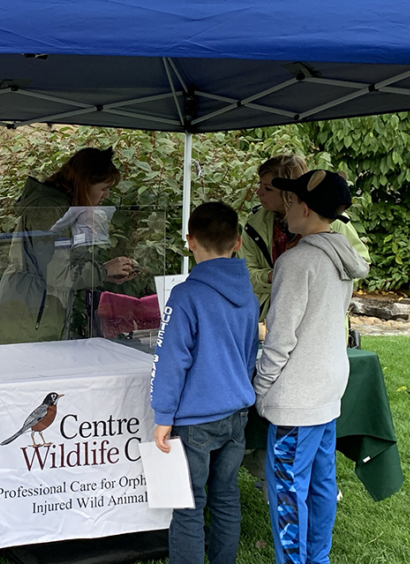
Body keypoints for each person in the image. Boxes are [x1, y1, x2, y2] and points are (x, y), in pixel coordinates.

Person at [253, 170, 369, 564]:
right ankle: (318, 558)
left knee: (287, 491)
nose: (285, 209)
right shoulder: (343, 257)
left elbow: (280, 338)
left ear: (303, 208)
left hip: (297, 399)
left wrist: (260, 387)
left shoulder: (296, 261)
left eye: (290, 201)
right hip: (327, 388)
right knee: (321, 484)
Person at [151, 202, 259, 564]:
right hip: (237, 412)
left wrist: (163, 414)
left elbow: (171, 360)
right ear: (239, 242)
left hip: (195, 419)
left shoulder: (186, 295)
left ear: (189, 241)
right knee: (226, 495)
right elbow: (249, 352)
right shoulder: (248, 294)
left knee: (189, 504)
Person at [0, 147, 138, 345]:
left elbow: (65, 267)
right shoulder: (49, 210)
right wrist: (103, 270)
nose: (106, 195)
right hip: (25, 325)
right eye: (103, 188)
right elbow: (58, 274)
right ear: (84, 184)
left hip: (37, 319)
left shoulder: (65, 208)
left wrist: (107, 273)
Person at [241, 154, 370, 321]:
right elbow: (245, 273)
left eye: (268, 188)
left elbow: (360, 264)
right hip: (269, 318)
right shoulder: (255, 223)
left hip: (322, 319)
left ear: (290, 194)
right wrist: (277, 275)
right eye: (260, 185)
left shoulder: (332, 220)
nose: (259, 193)